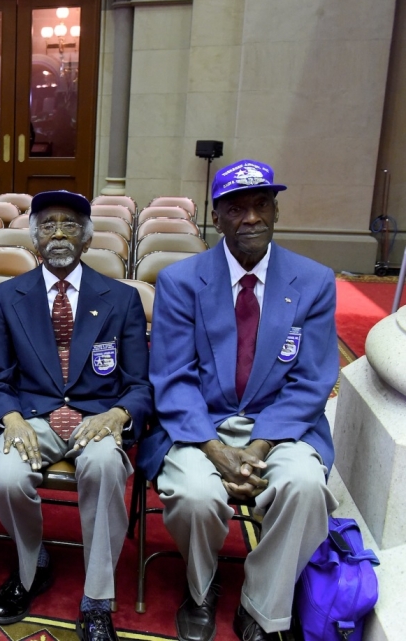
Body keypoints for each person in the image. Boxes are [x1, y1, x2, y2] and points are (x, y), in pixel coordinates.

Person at [137, 159, 338, 641]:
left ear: (276, 210)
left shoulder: (312, 281)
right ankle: (202, 586)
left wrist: (259, 448)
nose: (251, 218)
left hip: (282, 425)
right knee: (194, 495)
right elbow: (172, 375)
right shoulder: (182, 281)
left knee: (305, 488)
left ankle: (262, 603)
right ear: (216, 216)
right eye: (237, 208)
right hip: (200, 423)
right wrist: (216, 451)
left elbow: (311, 380)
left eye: (261, 205)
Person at [0, 190, 153, 640]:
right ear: (34, 236)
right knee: (6, 477)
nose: (59, 232)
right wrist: (12, 420)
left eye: (70, 224)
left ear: (87, 237)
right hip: (33, 415)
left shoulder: (121, 298)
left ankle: (97, 600)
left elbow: (139, 384)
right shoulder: (6, 297)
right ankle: (32, 564)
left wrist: (118, 414)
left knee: (102, 466)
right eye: (49, 224)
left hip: (97, 416)